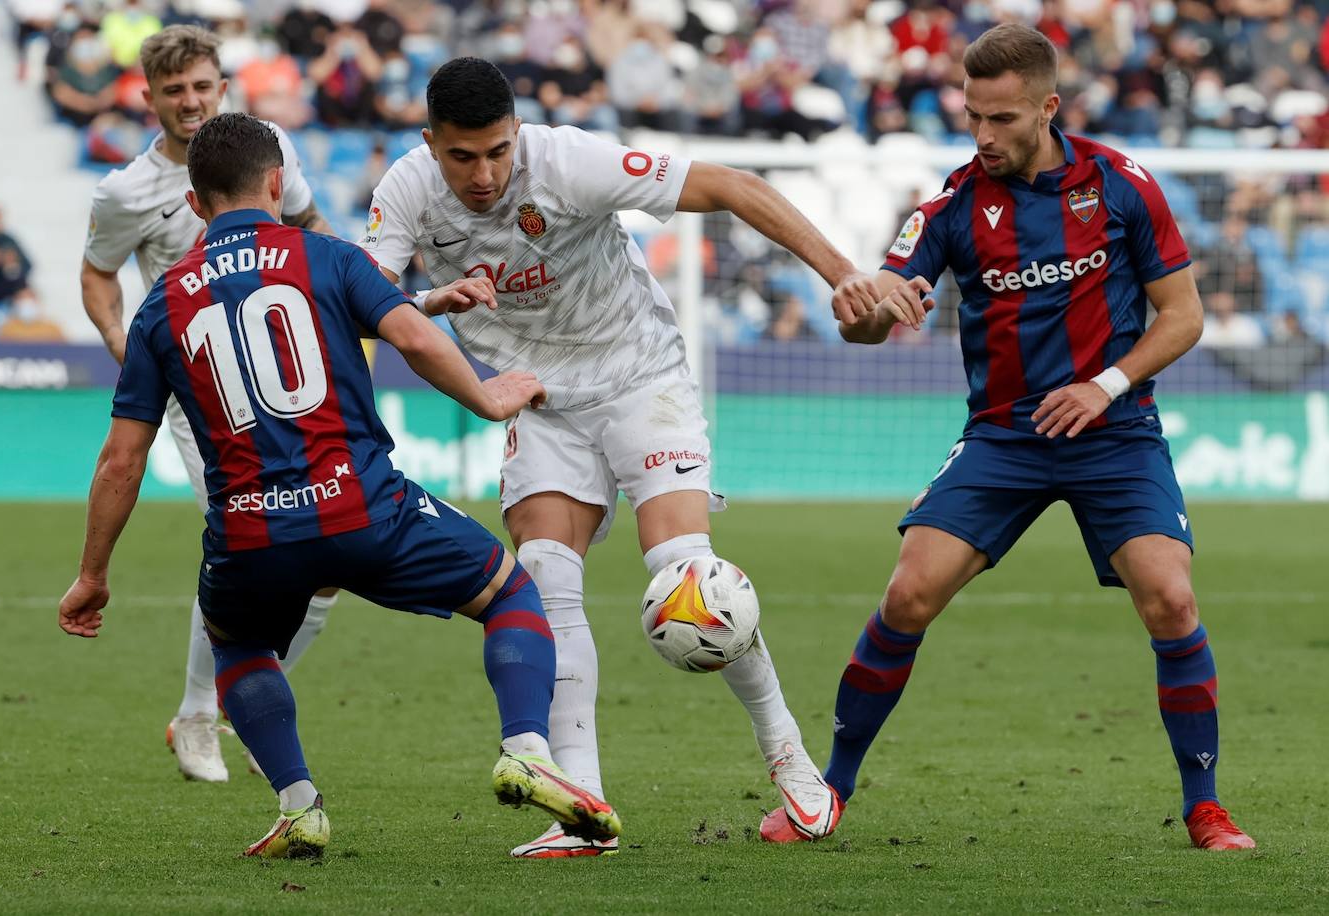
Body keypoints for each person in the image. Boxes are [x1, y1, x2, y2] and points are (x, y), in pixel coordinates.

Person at [57, 112, 621, 861]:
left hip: (251, 535)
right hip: (362, 508)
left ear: (195, 205)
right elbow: (412, 338)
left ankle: (299, 805)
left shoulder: (162, 303)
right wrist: (488, 395)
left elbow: (121, 459)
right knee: (509, 593)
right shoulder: (327, 255)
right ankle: (525, 747)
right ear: (278, 183)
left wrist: (93, 575)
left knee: (236, 646)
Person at [361, 57, 880, 857]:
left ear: (519, 134)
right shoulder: (404, 192)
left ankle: (790, 756)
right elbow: (371, 299)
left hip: (639, 375)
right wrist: (431, 299)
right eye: (461, 156)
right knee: (544, 582)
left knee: (688, 575)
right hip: (536, 398)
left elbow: (735, 186)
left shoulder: (570, 162)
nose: (483, 174)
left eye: (498, 152)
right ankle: (583, 809)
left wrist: (844, 273)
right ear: (431, 143)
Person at [766, 24, 1255, 851]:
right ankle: (828, 791)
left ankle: (1205, 806)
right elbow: (878, 308)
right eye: (972, 117)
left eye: (1001, 119)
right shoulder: (951, 207)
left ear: (1047, 107)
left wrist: (1104, 387)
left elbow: (1185, 317)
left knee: (1171, 600)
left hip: (1116, 430)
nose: (983, 136)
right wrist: (873, 307)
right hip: (1003, 437)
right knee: (907, 594)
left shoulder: (1123, 185)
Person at [80, 25, 336, 785]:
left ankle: (237, 703)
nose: (189, 101)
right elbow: (98, 274)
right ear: (149, 97)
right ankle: (201, 712)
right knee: (249, 544)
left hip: (289, 382)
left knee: (320, 564)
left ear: (223, 86)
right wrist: (124, 345)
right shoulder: (127, 191)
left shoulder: (268, 149)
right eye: (173, 90)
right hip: (205, 397)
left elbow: (313, 229)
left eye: (201, 86)